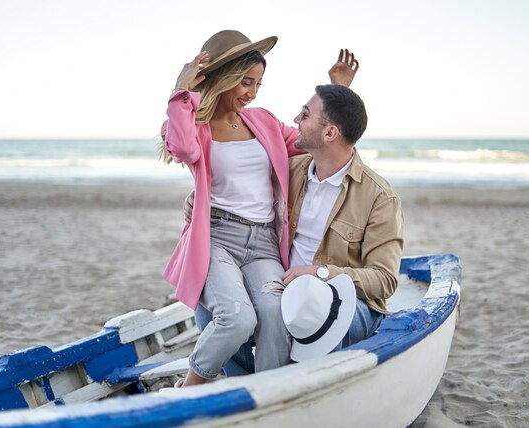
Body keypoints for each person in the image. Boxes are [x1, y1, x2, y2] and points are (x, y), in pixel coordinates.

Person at [160, 30, 358, 387]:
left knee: (274, 313)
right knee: (237, 318)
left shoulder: (263, 121)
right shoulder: (196, 125)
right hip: (217, 239)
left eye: (258, 84)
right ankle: (189, 387)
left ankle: (268, 391)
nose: (251, 92)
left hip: (264, 242)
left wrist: (337, 91)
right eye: (246, 83)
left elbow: (313, 138)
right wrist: (180, 89)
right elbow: (182, 148)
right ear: (225, 79)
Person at [185, 84, 404, 366]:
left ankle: (318, 386)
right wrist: (200, 197)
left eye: (304, 114)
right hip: (283, 290)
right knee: (210, 310)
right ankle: (247, 385)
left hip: (345, 303)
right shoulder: (289, 171)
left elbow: (385, 281)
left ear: (329, 133)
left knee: (322, 309)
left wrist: (321, 274)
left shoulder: (379, 198)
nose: (295, 120)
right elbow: (235, 184)